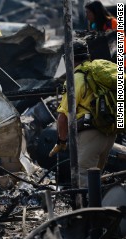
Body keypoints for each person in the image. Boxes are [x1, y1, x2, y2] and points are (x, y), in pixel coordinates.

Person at [49, 39, 116, 188]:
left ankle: (89, 210)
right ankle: (102, 208)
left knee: (84, 177)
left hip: (90, 133)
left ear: (69, 59)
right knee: (96, 176)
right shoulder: (100, 72)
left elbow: (63, 117)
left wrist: (61, 141)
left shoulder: (75, 79)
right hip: (110, 132)